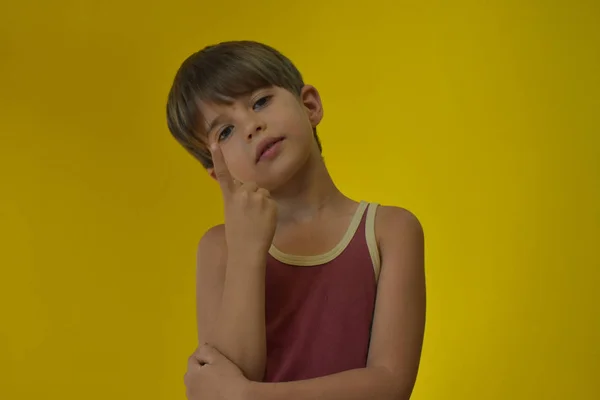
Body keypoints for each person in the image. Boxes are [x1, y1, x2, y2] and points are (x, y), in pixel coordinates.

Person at [166, 40, 426, 400]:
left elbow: (390, 384)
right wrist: (247, 250)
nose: (251, 126)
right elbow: (227, 377)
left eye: (260, 102)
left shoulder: (389, 230)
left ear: (310, 105)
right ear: (216, 171)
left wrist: (248, 397)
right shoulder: (220, 249)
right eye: (224, 132)